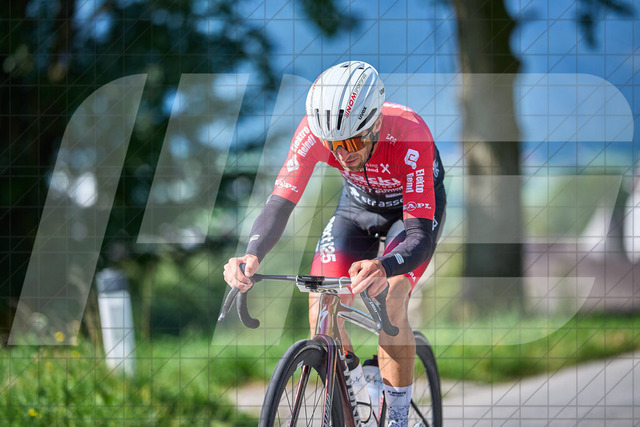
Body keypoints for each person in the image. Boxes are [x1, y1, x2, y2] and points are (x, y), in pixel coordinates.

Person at [223, 61, 446, 426]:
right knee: (321, 307)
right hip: (356, 211)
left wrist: (384, 265)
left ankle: (397, 419)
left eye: (353, 142)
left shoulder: (410, 132)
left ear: (375, 122)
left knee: (391, 296)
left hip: (410, 216)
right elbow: (280, 203)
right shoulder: (312, 132)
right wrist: (251, 254)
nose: (343, 154)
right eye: (334, 145)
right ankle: (355, 398)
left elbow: (419, 236)